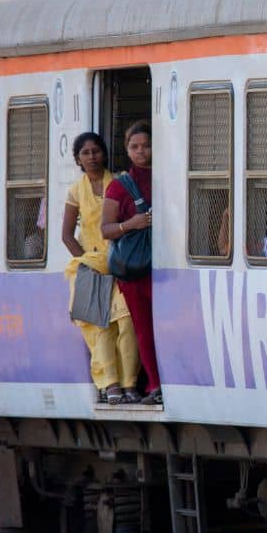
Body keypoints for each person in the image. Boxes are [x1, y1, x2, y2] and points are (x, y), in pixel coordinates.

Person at [61, 132, 141, 405]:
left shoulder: (118, 183)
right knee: (98, 325)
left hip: (119, 262)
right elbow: (67, 235)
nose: (91, 157)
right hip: (91, 264)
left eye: (96, 151)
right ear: (78, 159)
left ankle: (130, 382)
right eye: (85, 153)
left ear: (104, 154)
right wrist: (87, 263)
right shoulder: (76, 191)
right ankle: (110, 383)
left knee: (127, 320)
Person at [101, 121, 161, 405]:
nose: (142, 152)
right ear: (127, 150)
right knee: (143, 326)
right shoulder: (119, 186)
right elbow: (106, 229)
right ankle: (154, 383)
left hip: (165, 266)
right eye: (135, 147)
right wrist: (131, 224)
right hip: (135, 271)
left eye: (147, 145)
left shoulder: (165, 176)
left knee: (165, 324)